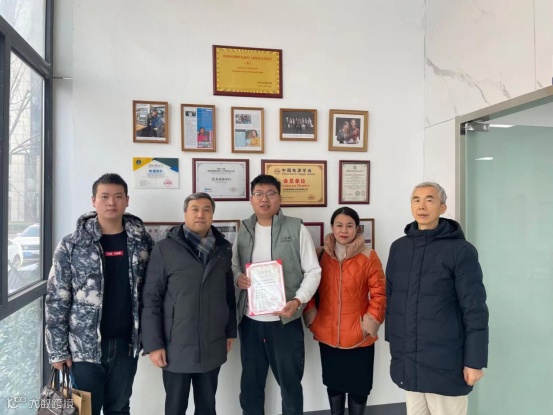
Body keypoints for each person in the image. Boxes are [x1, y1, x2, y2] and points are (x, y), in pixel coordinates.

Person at [45, 173, 154, 415]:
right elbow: (57, 298)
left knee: (120, 408)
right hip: (83, 347)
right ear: (93, 201)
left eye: (118, 196)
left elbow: (153, 291)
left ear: (127, 200)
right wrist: (57, 350)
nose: (111, 202)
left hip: (126, 344)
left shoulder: (143, 243)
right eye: (104, 196)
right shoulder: (72, 245)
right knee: (85, 411)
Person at [385, 182, 489, 415]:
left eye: (429, 200)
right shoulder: (399, 248)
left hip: (445, 362)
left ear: (442, 207)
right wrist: (395, 345)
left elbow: (474, 309)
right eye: (416, 200)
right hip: (408, 361)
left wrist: (474, 361)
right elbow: (392, 300)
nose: (422, 206)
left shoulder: (461, 250)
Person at [232, 174, 321, 415]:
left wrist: (298, 301)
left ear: (279, 198)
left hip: (285, 322)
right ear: (251, 199)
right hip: (250, 323)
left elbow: (313, 271)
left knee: (290, 387)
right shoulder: (244, 229)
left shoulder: (296, 228)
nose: (265, 199)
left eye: (271, 193)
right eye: (259, 194)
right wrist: (238, 278)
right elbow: (233, 266)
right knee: (250, 387)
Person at [141, 192, 237, 415]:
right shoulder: (165, 249)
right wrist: (154, 344)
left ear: (212, 215)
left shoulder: (223, 249)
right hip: (175, 346)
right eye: (195, 209)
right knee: (175, 408)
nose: (200, 214)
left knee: (207, 407)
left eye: (206, 210)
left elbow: (228, 295)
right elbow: (151, 299)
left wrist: (230, 331)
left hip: (212, 342)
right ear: (185, 213)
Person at [303, 207, 386, 415]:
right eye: (339, 225)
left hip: (359, 335)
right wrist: (312, 318)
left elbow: (380, 294)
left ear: (357, 229)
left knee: (360, 389)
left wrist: (368, 325)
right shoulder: (320, 254)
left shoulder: (369, 256)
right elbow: (309, 288)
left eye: (349, 226)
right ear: (332, 227)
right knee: (334, 386)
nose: (344, 230)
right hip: (327, 333)